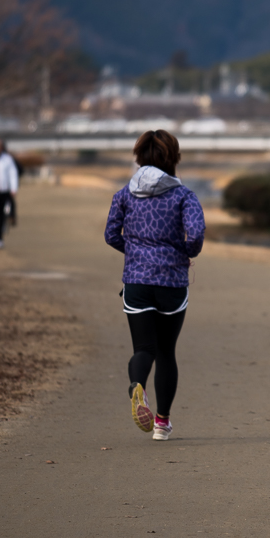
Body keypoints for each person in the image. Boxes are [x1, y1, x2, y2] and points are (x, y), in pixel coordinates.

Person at [104, 130, 205, 442]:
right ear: (172, 158)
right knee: (166, 352)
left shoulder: (123, 194)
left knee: (143, 349)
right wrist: (185, 254)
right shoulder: (184, 196)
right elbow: (196, 235)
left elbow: (111, 234)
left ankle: (137, 386)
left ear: (139, 157)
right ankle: (161, 423)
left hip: (136, 281)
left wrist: (136, 254)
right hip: (172, 283)